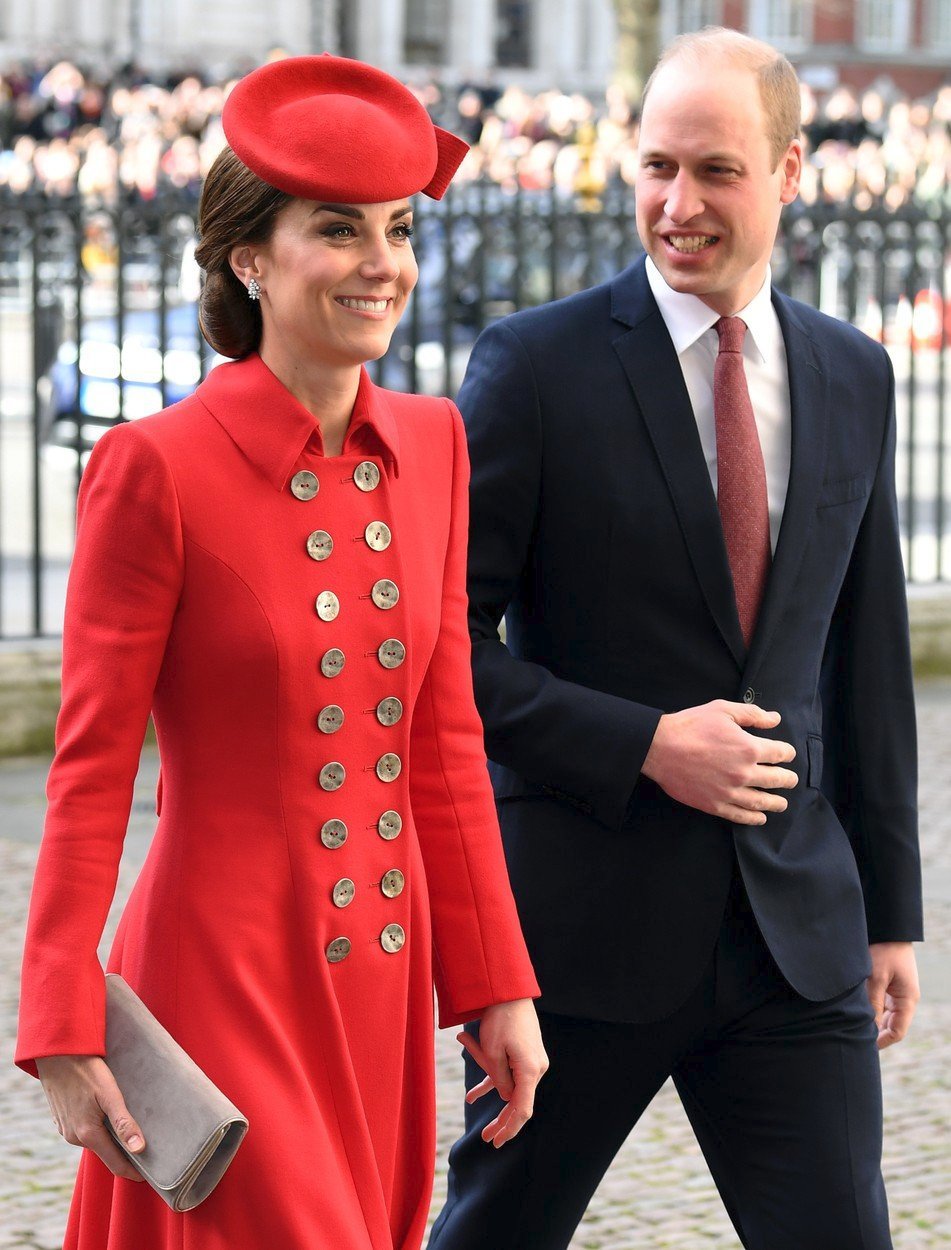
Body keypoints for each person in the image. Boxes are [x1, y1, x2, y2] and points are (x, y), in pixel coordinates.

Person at [16, 54, 546, 1250]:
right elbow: (92, 765)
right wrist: (60, 1015)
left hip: (379, 983)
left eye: (399, 229)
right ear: (250, 257)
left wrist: (497, 984)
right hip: (219, 975)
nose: (383, 264)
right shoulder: (154, 467)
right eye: (339, 229)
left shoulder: (435, 444)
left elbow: (447, 745)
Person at [429, 27, 921, 1250]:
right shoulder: (534, 367)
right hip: (577, 946)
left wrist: (890, 912)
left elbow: (866, 662)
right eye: (656, 167)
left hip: (793, 946)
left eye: (715, 170)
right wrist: (643, 742)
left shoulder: (856, 373)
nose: (677, 203)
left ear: (792, 172)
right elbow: (440, 645)